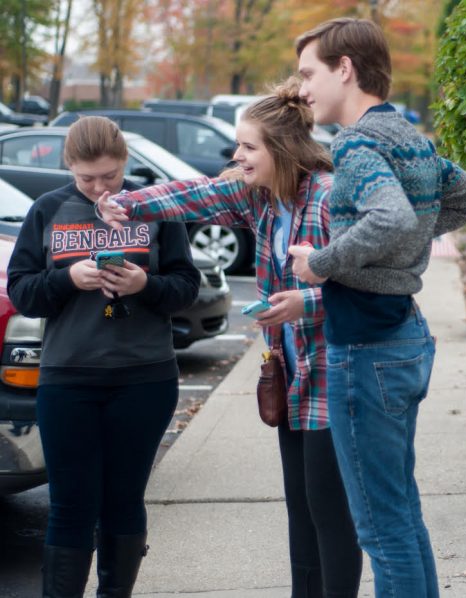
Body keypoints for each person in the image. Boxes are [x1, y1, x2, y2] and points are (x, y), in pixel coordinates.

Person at [97, 78, 362, 598]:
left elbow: (371, 290)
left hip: (337, 374)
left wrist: (302, 303)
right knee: (302, 509)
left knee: (331, 515)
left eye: (247, 146)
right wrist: (128, 204)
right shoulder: (258, 197)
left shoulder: (331, 198)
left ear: (280, 150)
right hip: (291, 375)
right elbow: (192, 193)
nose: (236, 154)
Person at [289, 18, 466, 598]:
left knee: (380, 528)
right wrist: (402, 248)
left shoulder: (355, 143)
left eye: (309, 73)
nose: (303, 89)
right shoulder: (408, 136)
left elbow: (394, 218)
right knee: (399, 513)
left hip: (367, 347)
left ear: (345, 69)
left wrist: (322, 262)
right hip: (403, 338)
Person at [7, 116, 201, 597]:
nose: (98, 188)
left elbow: (186, 289)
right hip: (67, 378)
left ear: (126, 164)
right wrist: (67, 279)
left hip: (144, 378)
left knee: (123, 500)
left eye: (110, 176)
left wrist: (145, 285)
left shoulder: (155, 209)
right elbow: (22, 292)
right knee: (71, 504)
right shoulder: (47, 211)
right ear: (68, 166)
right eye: (86, 178)